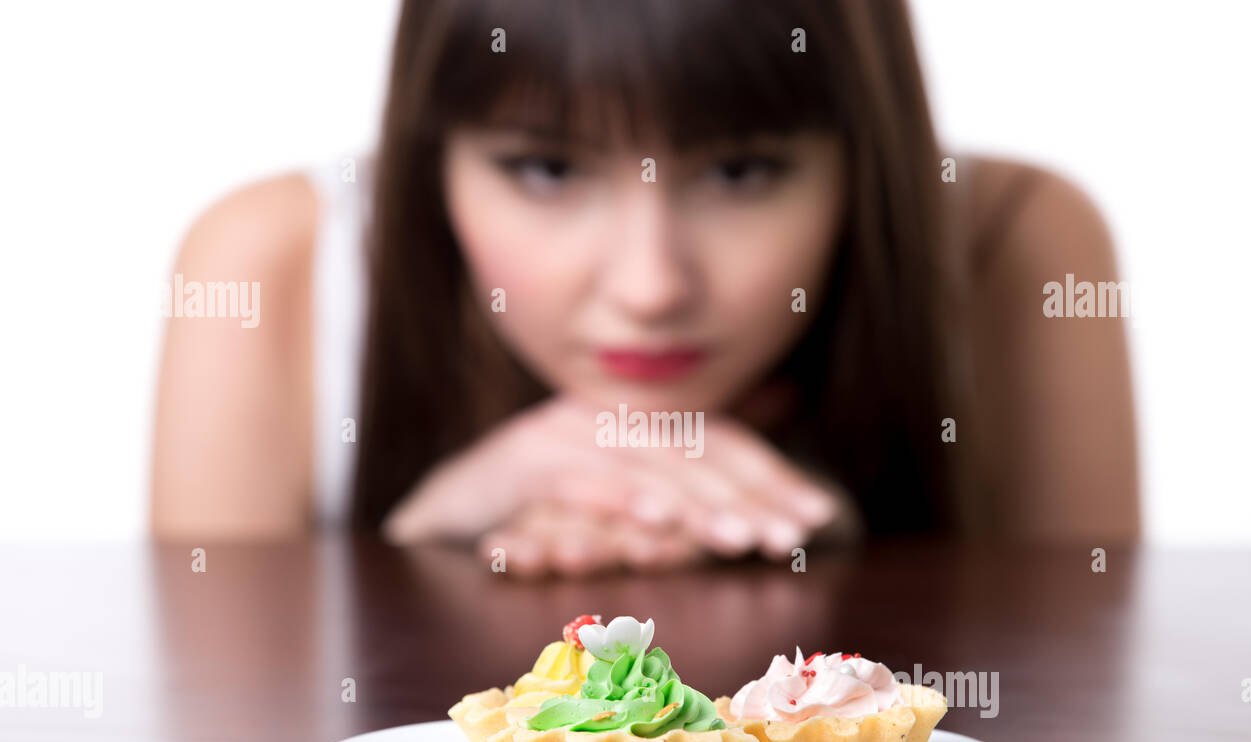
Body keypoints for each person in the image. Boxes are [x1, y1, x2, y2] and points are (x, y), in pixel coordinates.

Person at [150, 0, 1139, 576]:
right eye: (545, 169)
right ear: (428, 152)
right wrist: (430, 537)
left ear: (863, 151)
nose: (651, 285)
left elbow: (1079, 716)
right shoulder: (270, 263)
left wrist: (807, 545)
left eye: (742, 171)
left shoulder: (1014, 245)